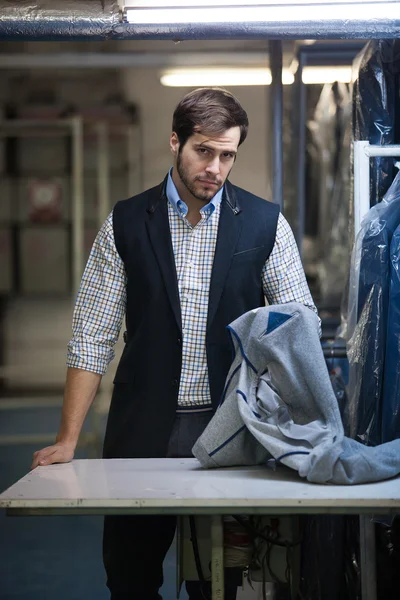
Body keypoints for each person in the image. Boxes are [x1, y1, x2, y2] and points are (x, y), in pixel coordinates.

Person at [31, 87, 319, 600]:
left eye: (226, 155)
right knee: (129, 576)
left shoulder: (264, 223)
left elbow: (300, 329)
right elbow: (91, 336)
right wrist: (68, 440)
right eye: (202, 151)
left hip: (232, 427)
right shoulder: (125, 222)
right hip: (141, 425)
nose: (215, 166)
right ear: (175, 143)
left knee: (217, 580)